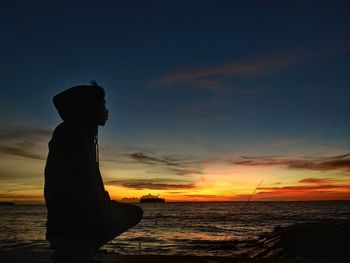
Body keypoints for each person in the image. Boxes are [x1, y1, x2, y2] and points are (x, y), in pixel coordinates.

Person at [44, 81, 143, 263]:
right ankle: (74, 249)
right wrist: (90, 216)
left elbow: (88, 181)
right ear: (90, 107)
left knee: (133, 213)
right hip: (75, 223)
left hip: (84, 218)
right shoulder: (71, 134)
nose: (107, 109)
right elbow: (64, 185)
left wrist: (102, 203)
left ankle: (81, 249)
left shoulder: (84, 135)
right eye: (103, 103)